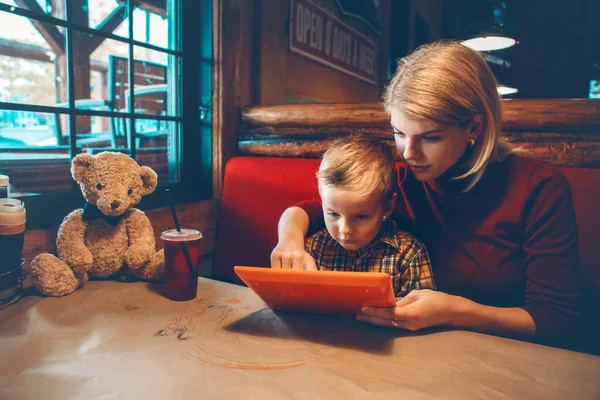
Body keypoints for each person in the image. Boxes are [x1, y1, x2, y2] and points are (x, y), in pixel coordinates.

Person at [270, 41, 582, 348]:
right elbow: (311, 210)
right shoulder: (402, 180)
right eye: (399, 132)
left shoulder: (538, 186)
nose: (409, 152)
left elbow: (555, 319)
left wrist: (455, 312)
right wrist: (290, 240)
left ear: (474, 127)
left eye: (430, 137)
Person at [304, 134, 436, 297]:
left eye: (360, 217)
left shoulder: (409, 254)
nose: (345, 230)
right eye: (333, 214)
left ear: (388, 206)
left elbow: (421, 313)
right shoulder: (315, 248)